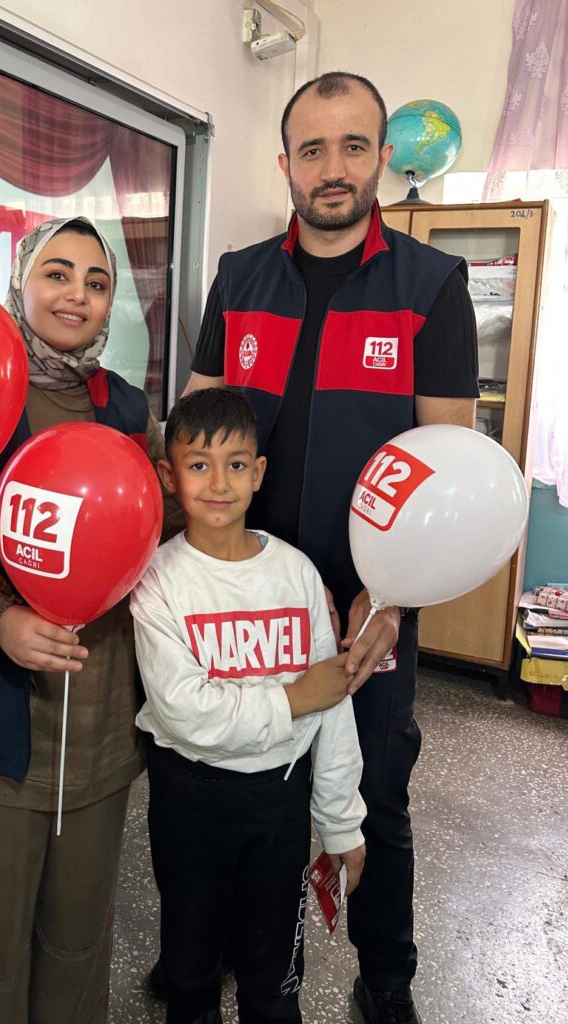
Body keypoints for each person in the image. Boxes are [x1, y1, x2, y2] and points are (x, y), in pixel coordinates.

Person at [182, 73, 479, 1024]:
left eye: (353, 145)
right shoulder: (237, 277)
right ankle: (235, 957)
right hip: (246, 591)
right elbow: (194, 432)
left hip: (369, 601)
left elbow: (448, 469)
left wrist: (391, 596)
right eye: (312, 149)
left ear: (381, 156)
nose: (333, 167)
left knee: (375, 795)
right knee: (245, 787)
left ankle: (385, 976)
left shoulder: (430, 286)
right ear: (285, 164)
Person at [0, 216, 180, 1024]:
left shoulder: (126, 407)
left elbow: (153, 526)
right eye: (57, 273)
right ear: (19, 282)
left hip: (97, 722)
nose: (76, 294)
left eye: (96, 281)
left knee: (78, 943)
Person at [131, 387, 366, 1024]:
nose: (219, 483)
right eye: (198, 465)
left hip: (280, 799)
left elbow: (333, 706)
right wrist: (291, 698)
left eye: (236, 464)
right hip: (189, 799)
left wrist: (341, 823)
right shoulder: (156, 580)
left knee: (274, 978)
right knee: (190, 968)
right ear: (169, 476)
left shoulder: (296, 573)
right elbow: (185, 711)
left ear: (259, 473)